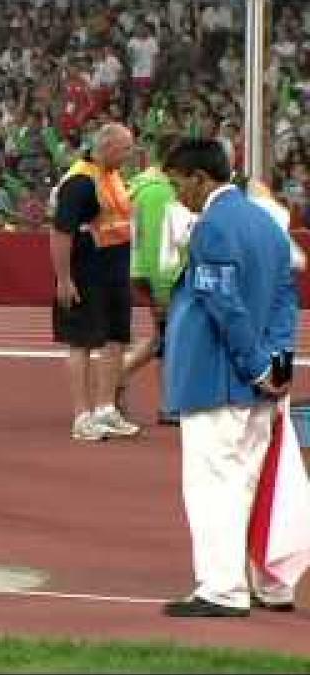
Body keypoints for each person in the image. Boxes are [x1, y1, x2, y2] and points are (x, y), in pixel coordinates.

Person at [160, 139, 302, 617]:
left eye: (179, 183)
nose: (178, 196)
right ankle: (270, 583)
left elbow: (224, 307)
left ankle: (221, 589)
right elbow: (285, 298)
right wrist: (278, 361)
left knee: (212, 484)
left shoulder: (212, 228)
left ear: (201, 177)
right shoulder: (268, 222)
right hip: (258, 381)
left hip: (217, 379)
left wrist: (256, 364)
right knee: (252, 482)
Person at [49, 123, 141, 442]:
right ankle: (82, 415)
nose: (130, 155)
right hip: (85, 274)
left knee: (116, 339)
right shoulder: (80, 182)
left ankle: (105, 409)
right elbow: (60, 232)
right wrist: (63, 279)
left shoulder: (112, 176)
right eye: (126, 149)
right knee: (82, 342)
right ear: (108, 146)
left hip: (115, 271)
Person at [119, 134, 191, 426]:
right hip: (162, 276)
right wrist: (161, 291)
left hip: (144, 271)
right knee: (172, 341)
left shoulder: (140, 185)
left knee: (164, 340)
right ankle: (168, 403)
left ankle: (117, 376)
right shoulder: (160, 192)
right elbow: (157, 243)